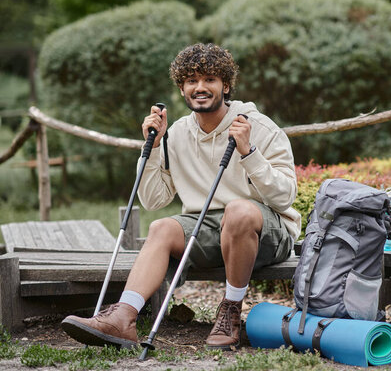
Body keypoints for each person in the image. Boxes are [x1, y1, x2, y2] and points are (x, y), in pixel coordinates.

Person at [61, 43, 301, 350]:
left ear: (225, 85)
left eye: (209, 80)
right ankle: (123, 318)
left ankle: (230, 310)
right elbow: (152, 200)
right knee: (161, 227)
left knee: (239, 211)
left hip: (265, 230)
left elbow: (285, 196)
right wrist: (153, 148)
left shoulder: (259, 127)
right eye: (191, 81)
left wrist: (249, 152)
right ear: (181, 89)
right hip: (208, 229)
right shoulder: (177, 133)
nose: (200, 88)